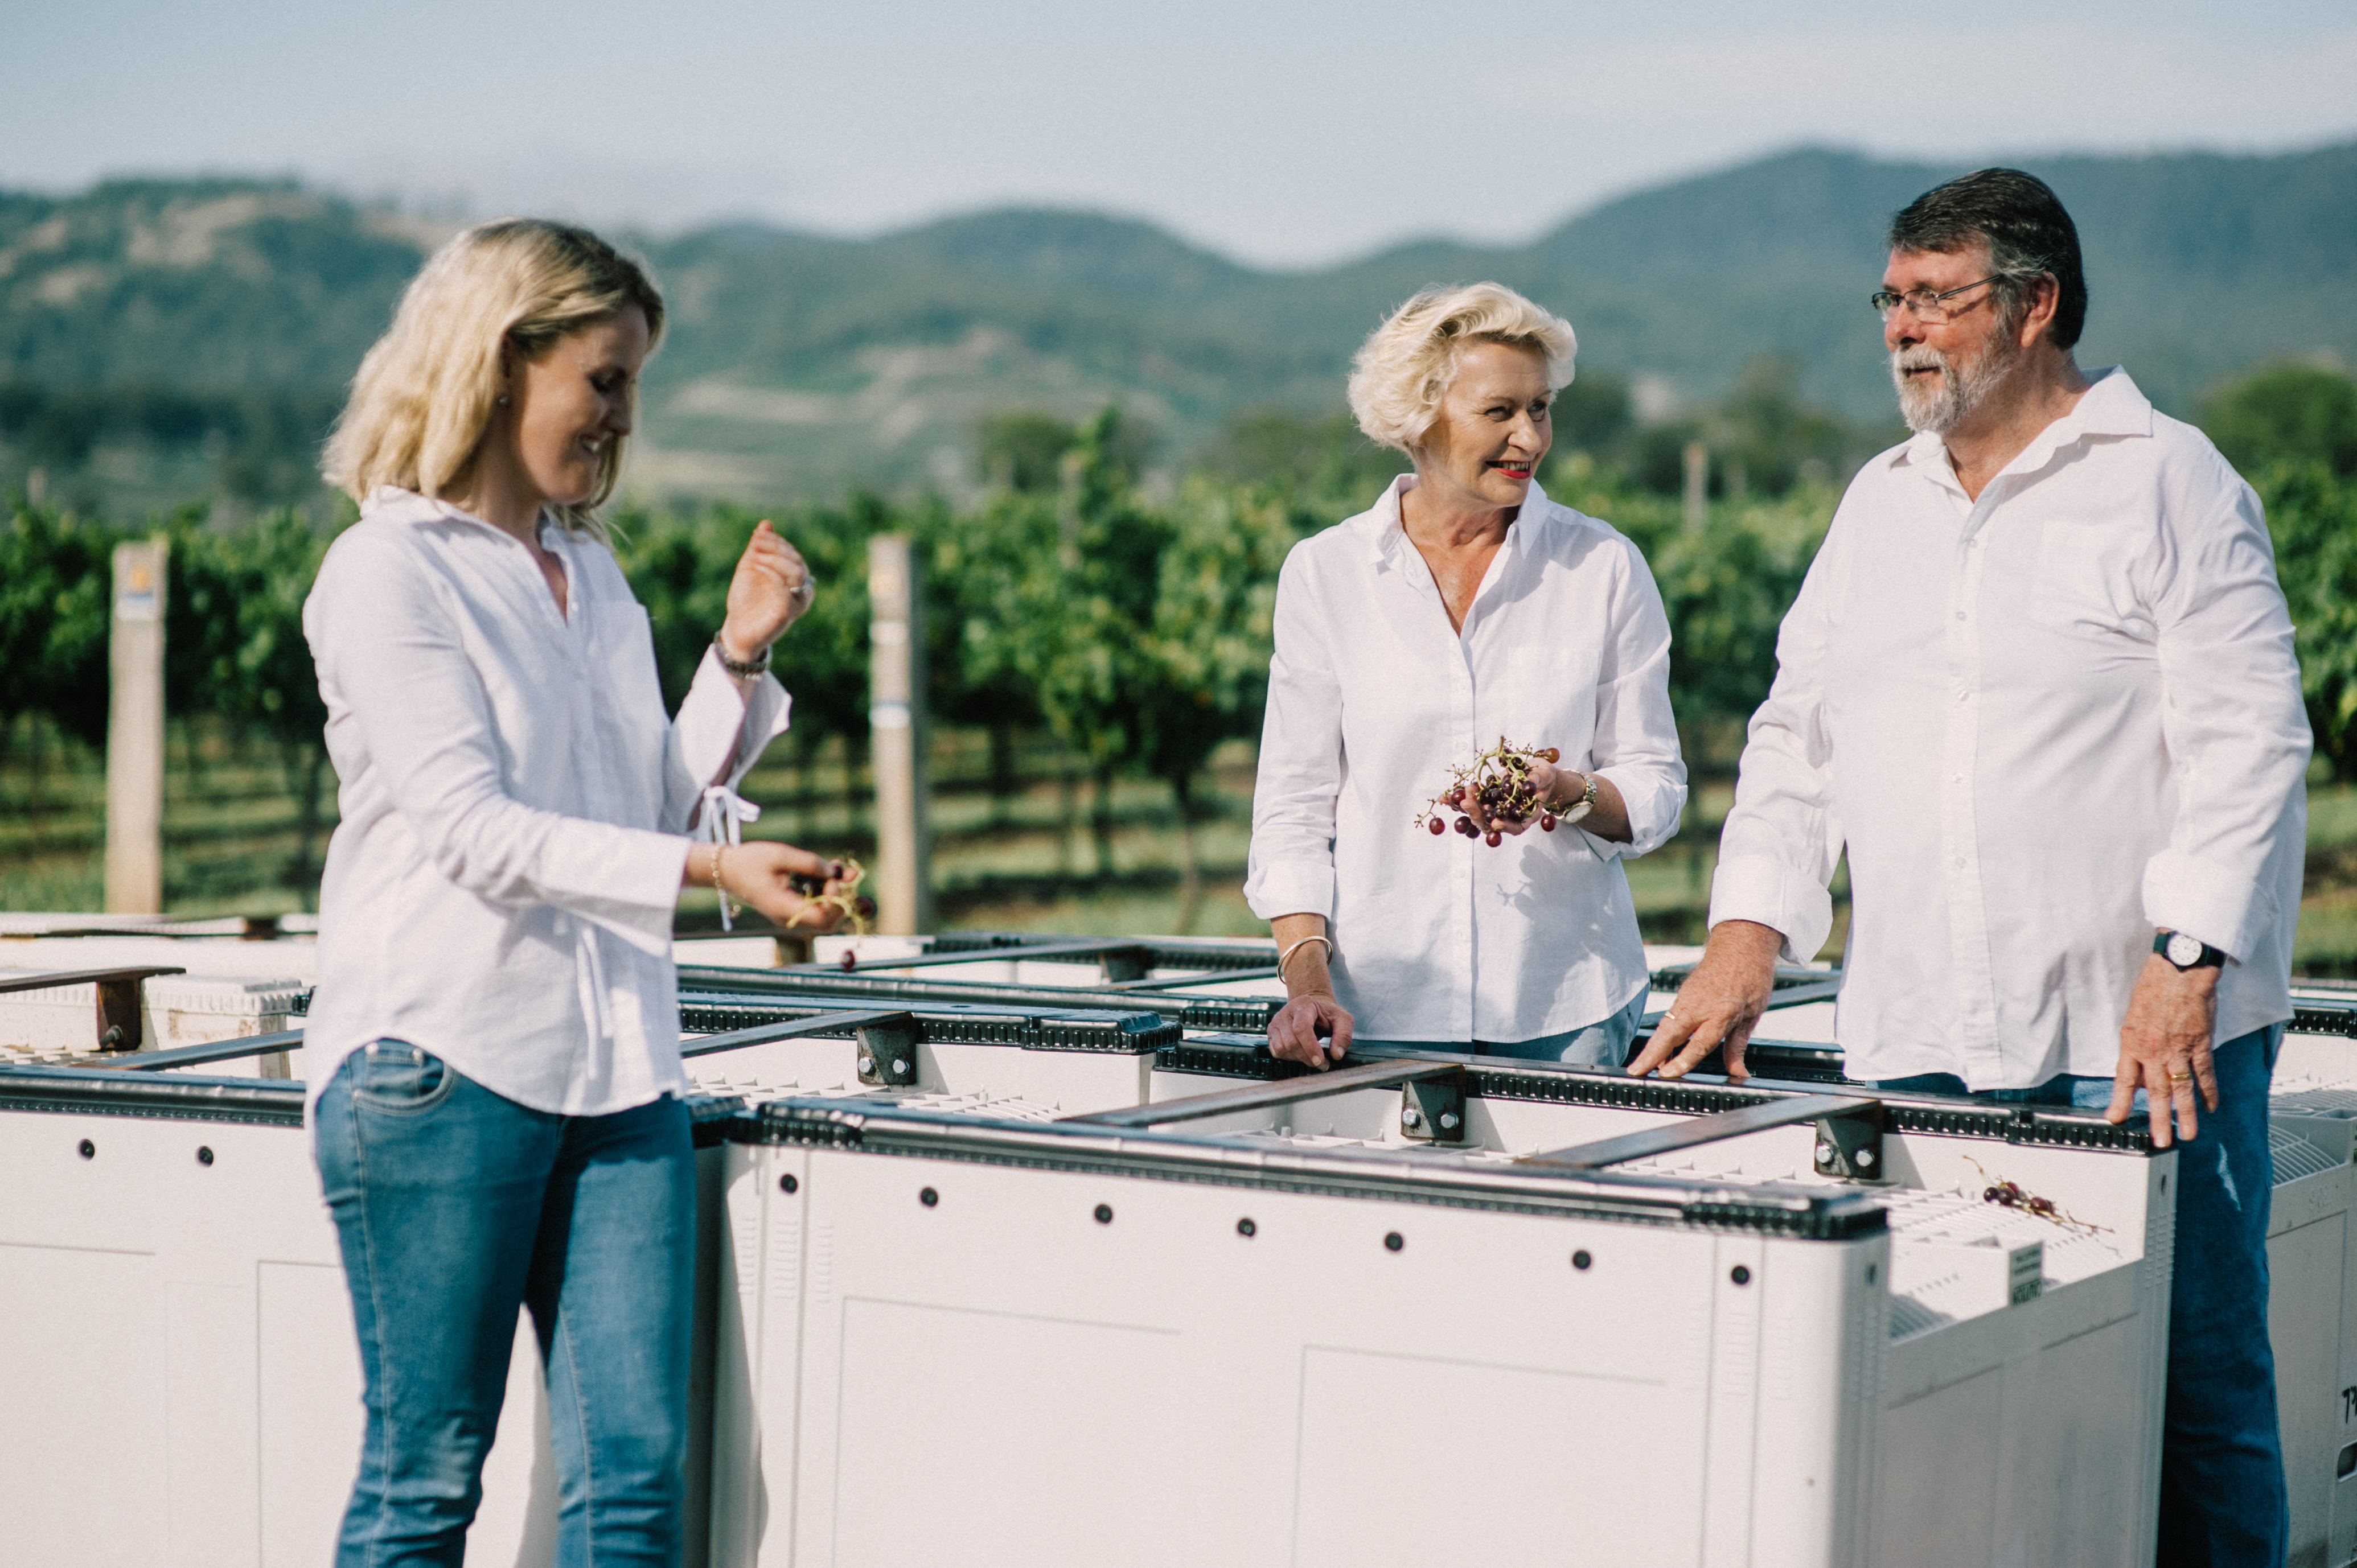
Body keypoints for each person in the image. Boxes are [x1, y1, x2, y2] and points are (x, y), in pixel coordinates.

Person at [1630, 170, 2307, 1565]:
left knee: (2196, 1394)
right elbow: (1797, 738)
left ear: (2035, 304)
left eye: (1935, 298)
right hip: (1921, 1038)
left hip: (2132, 1045)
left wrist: (2186, 965)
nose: (1902, 330)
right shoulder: (1878, 503)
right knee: (1958, 1389)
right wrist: (1750, 930)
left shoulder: (2169, 478)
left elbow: (2251, 744)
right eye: (1891, 299)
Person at [302, 219, 853, 1565]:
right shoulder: (389, 572)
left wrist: (733, 657)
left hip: (618, 1078)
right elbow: (482, 832)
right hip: (439, 1066)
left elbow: (640, 815)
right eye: (602, 381)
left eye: (632, 387)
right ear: (500, 365)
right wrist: (715, 868)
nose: (621, 419)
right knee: (427, 1478)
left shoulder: (590, 576)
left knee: (636, 1491)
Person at [1245, 282, 1686, 1069]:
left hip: (1568, 1005)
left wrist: (1569, 792)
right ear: (1418, 420)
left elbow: (1655, 785)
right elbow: (1293, 809)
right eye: (1500, 412)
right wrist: (1308, 982)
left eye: (1542, 408)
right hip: (1380, 1007)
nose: (1531, 437)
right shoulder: (1326, 575)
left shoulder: (1604, 568)